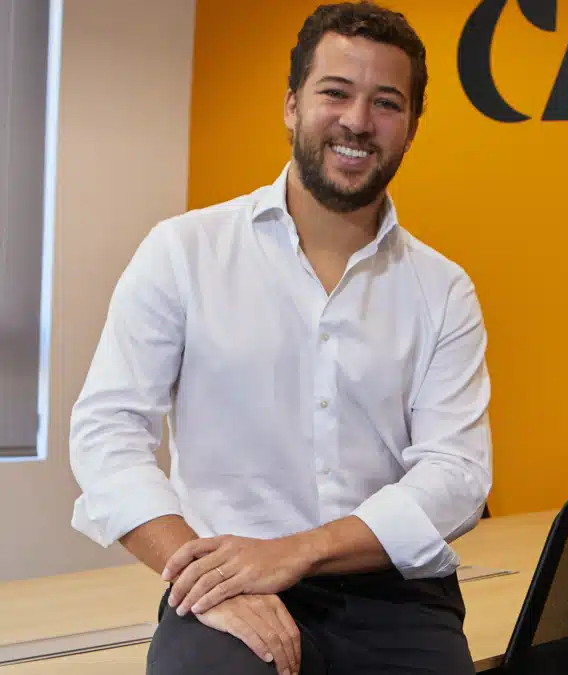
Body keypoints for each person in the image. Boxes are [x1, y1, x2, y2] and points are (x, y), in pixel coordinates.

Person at [67, 3, 491, 674]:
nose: (358, 121)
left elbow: (457, 473)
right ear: (292, 105)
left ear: (411, 127)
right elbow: (106, 432)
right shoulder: (184, 252)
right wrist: (200, 574)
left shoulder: (442, 289)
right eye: (335, 92)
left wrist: (297, 552)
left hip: (394, 597)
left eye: (386, 102)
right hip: (226, 581)